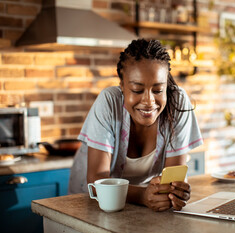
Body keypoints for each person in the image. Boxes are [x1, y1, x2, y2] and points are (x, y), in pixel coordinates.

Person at [68, 39, 203, 212]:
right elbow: (97, 181)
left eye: (158, 90)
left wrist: (174, 194)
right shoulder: (109, 102)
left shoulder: (177, 103)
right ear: (122, 86)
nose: (149, 101)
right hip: (92, 200)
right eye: (137, 90)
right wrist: (142, 196)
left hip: (139, 204)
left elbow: (172, 178)